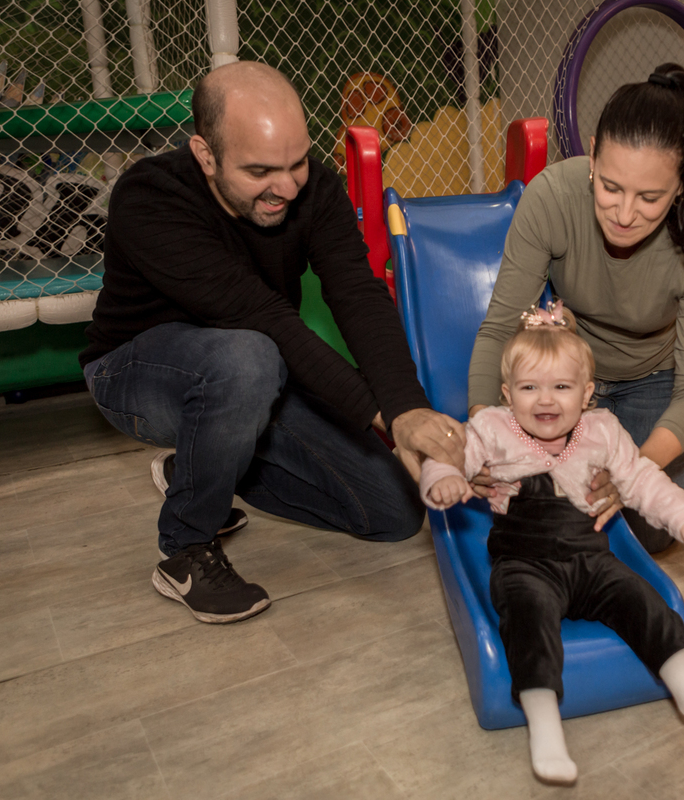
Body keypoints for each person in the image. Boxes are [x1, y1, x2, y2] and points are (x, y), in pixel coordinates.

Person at [80, 62, 465, 624]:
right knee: (248, 355)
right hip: (137, 372)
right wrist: (387, 417)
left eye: (297, 163)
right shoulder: (150, 197)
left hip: (254, 374)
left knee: (393, 512)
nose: (286, 187)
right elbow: (266, 319)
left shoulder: (315, 189)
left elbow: (357, 296)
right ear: (206, 155)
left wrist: (407, 407)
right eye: (260, 170)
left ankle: (203, 467)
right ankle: (187, 542)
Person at [423, 305, 684, 786]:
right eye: (529, 388)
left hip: (591, 559)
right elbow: (452, 453)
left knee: (641, 600)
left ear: (587, 394)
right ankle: (545, 729)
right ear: (507, 395)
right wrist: (442, 477)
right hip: (523, 562)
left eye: (562, 387)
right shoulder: (493, 429)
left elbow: (642, 481)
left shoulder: (603, 430)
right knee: (528, 617)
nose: (545, 400)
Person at [468, 63, 684, 554]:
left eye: (650, 197)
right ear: (592, 155)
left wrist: (638, 464)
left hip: (655, 378)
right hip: (568, 373)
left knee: (646, 528)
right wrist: (483, 430)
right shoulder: (552, 197)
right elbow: (499, 329)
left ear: (680, 185)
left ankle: (676, 453)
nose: (625, 213)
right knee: (531, 506)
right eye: (611, 187)